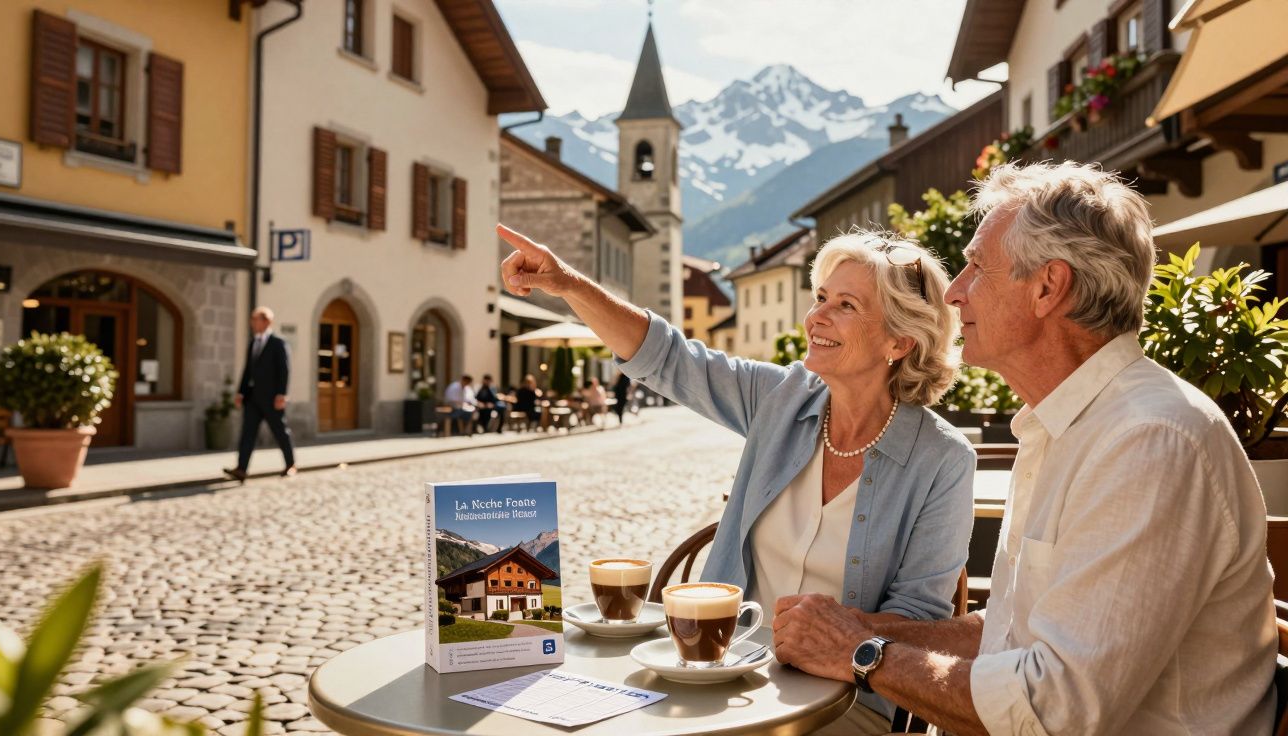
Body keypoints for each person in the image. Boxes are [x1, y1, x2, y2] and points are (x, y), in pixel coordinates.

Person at [770, 162, 1277, 735]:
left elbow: (1050, 709)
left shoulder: (1149, 441)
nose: (955, 291)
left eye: (977, 267)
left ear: (1047, 287)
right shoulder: (1065, 424)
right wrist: (857, 628)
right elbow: (1010, 630)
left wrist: (861, 651)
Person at [500, 222, 975, 731]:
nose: (816, 316)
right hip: (718, 675)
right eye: (820, 297)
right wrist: (567, 282)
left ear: (899, 341)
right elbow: (669, 359)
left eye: (846, 306)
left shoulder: (943, 460)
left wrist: (832, 635)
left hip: (844, 700)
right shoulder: (781, 399)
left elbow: (921, 621)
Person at [224, 306, 295, 481]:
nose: (252, 323)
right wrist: (241, 392)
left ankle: (290, 464)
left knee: (280, 432)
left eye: (256, 319)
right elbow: (248, 370)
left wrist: (281, 394)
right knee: (247, 433)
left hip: (272, 398)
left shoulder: (278, 343)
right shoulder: (253, 343)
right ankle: (242, 468)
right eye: (252, 319)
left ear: (267, 321)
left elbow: (284, 370)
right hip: (253, 398)